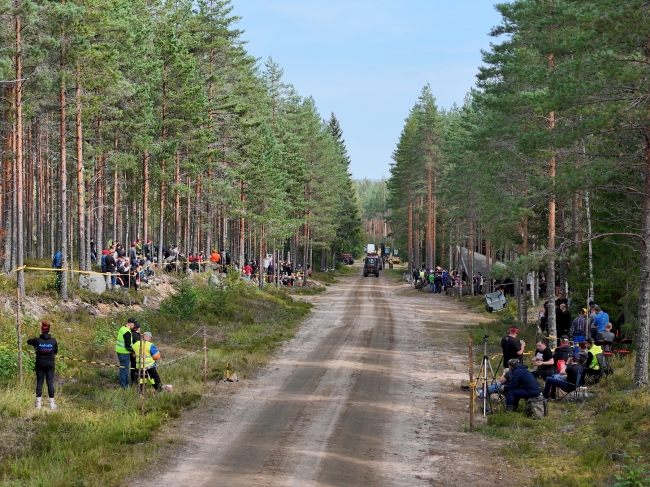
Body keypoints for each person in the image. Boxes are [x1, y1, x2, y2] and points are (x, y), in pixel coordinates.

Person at [27, 321, 58, 409]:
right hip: (50, 364)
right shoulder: (53, 341)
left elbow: (28, 341)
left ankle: (38, 404)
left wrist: (35, 344)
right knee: (50, 383)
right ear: (49, 330)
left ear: (42, 330)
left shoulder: (37, 340)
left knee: (40, 382)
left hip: (40, 363)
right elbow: (55, 352)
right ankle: (52, 404)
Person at [115, 318, 136, 389]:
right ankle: (124, 387)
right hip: (124, 353)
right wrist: (133, 351)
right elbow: (127, 345)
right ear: (130, 323)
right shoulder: (127, 332)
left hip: (120, 352)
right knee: (124, 370)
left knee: (124, 369)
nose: (134, 326)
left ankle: (125, 385)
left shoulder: (122, 328)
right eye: (134, 324)